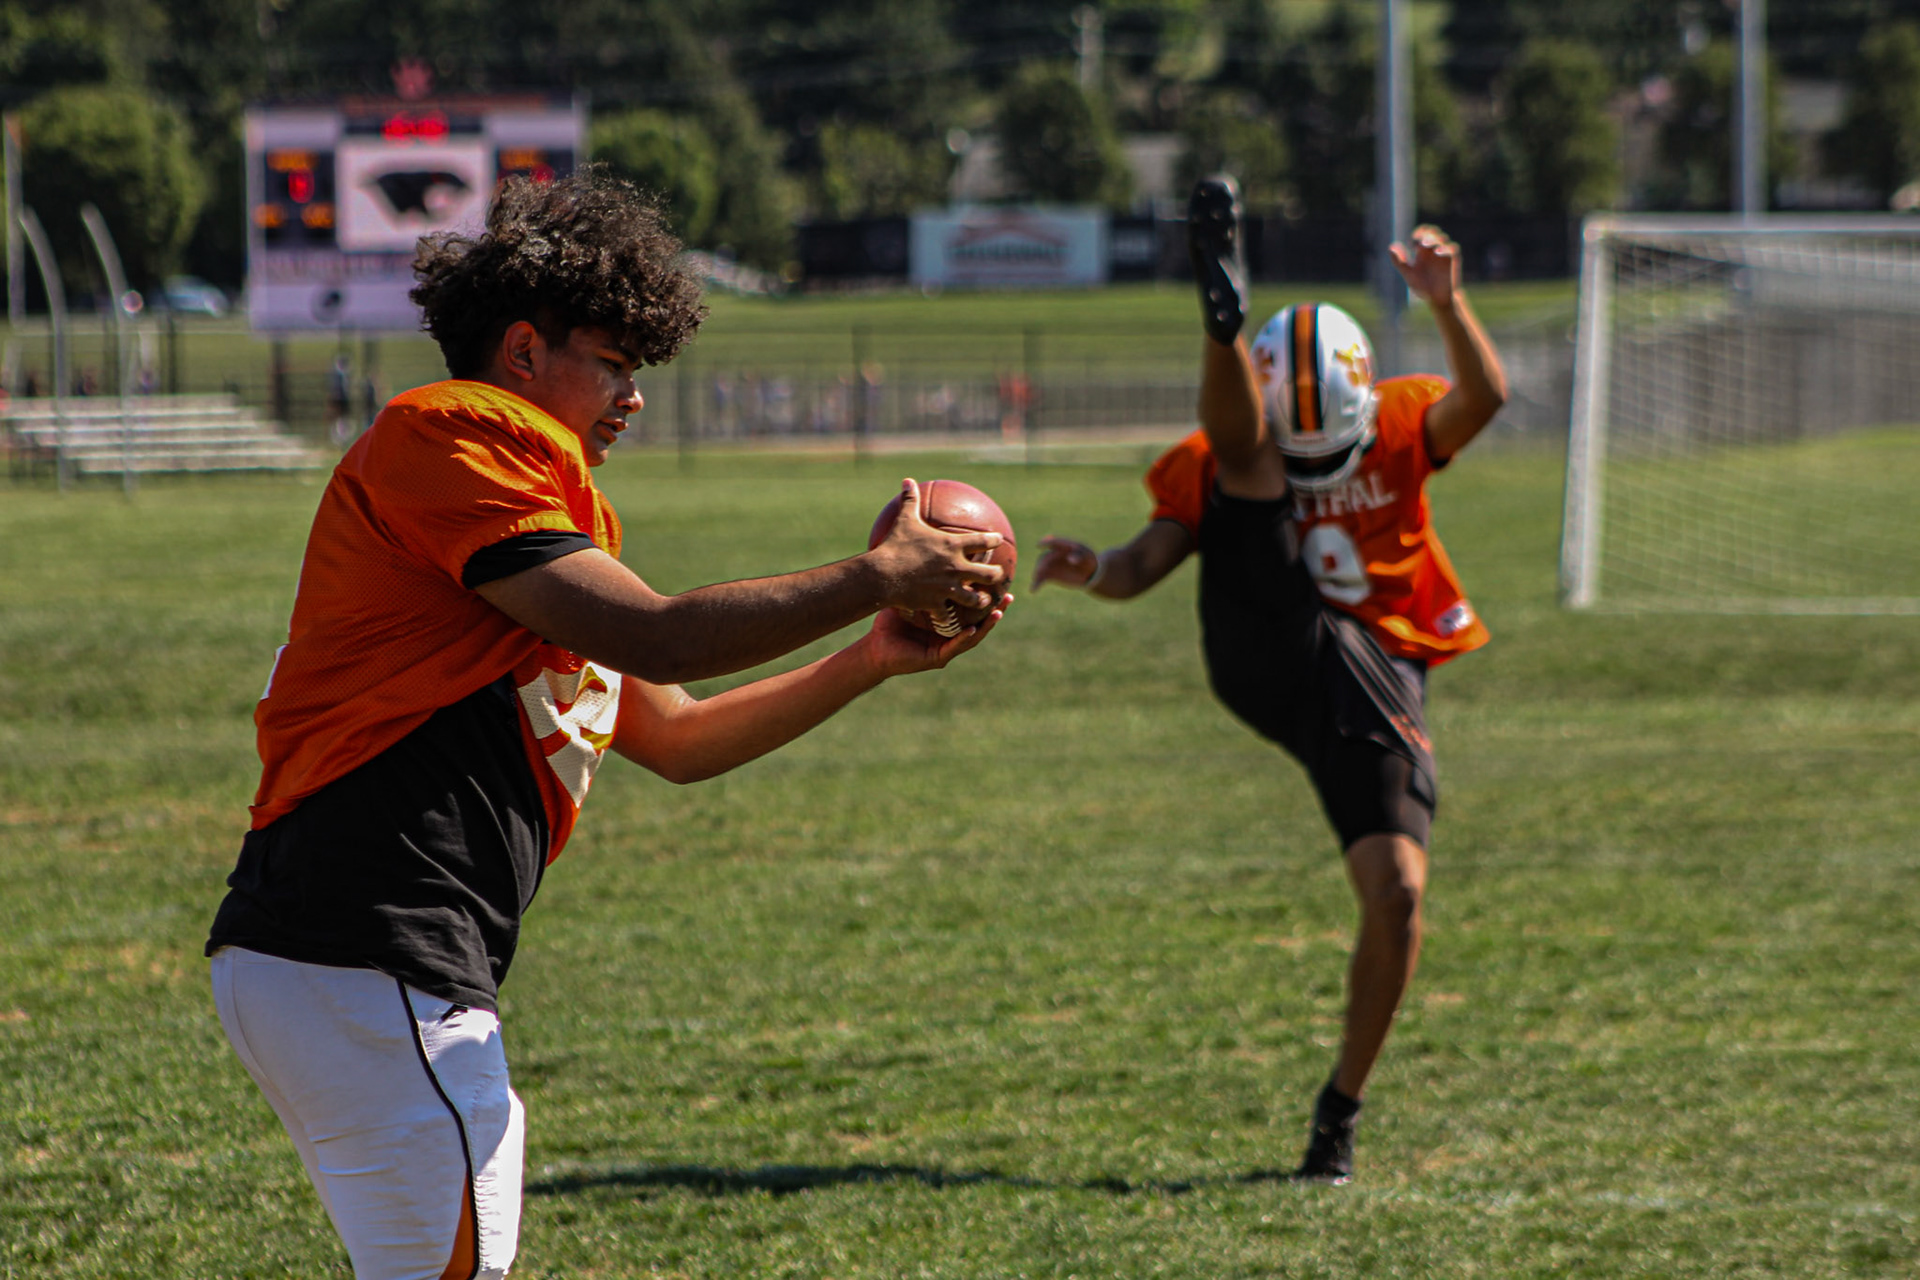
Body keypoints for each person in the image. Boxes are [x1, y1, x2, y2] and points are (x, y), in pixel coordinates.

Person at [205, 168, 1008, 1279]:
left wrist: (869, 658)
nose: (633, 399)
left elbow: (677, 733)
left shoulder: (524, 524)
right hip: (363, 938)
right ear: (523, 352)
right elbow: (661, 637)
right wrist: (877, 574)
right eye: (615, 364)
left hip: (350, 957)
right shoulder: (455, 432)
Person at [1031, 175, 1507, 1184]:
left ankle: (1338, 1119)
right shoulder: (1234, 452)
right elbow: (1143, 564)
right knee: (1246, 475)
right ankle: (1222, 323)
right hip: (1265, 647)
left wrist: (1448, 303)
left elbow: (1485, 399)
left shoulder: (1401, 419)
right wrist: (1095, 568)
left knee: (1399, 895)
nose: (1320, 468)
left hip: (1374, 678)